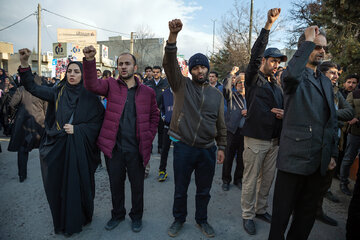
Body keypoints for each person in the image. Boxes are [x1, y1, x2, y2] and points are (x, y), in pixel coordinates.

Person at [17, 48, 104, 236]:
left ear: (83, 74)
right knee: (58, 186)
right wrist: (24, 64)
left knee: (79, 184)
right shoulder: (58, 92)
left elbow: (98, 123)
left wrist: (78, 130)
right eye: (69, 71)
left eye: (76, 71)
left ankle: (81, 216)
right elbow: (32, 88)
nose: (72, 75)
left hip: (80, 149)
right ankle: (62, 220)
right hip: (57, 147)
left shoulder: (90, 96)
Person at [268, 26, 338, 240]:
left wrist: (332, 154)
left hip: (318, 163)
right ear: (305, 47)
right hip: (293, 160)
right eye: (316, 46)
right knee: (281, 217)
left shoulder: (325, 82)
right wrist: (307, 41)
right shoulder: (292, 77)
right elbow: (291, 76)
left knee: (305, 217)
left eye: (323, 48)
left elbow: (331, 121)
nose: (321, 51)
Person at [82, 46, 159, 233]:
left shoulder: (147, 92)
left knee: (137, 187)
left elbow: (154, 116)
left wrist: (148, 136)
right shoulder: (110, 85)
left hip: (137, 149)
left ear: (135, 66)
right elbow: (92, 85)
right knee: (115, 185)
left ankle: (136, 217)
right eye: (120, 64)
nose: (123, 67)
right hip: (114, 148)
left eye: (127, 63)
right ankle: (117, 214)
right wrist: (90, 60)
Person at [163, 19, 226, 238]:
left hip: (207, 149)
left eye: (203, 66)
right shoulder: (181, 85)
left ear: (208, 69)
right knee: (180, 189)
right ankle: (178, 219)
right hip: (184, 147)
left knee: (204, 191)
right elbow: (169, 65)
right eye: (195, 67)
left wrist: (222, 147)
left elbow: (221, 123)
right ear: (190, 70)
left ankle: (202, 220)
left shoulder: (217, 95)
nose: (200, 70)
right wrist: (173, 37)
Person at [240, 8, 285, 236]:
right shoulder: (253, 78)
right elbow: (256, 53)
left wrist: (283, 114)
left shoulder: (277, 85)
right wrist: (268, 25)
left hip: (274, 142)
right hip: (255, 140)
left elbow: (281, 109)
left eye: (278, 62)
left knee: (266, 180)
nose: (276, 64)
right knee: (250, 180)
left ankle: (260, 209)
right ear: (264, 61)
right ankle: (247, 215)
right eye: (272, 60)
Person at [315, 61, 353, 226]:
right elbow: (316, 116)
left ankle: (318, 211)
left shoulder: (336, 93)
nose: (337, 76)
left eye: (338, 73)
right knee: (311, 183)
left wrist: (332, 115)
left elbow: (350, 112)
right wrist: (335, 118)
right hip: (318, 144)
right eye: (332, 73)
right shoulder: (315, 90)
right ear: (322, 73)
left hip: (334, 142)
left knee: (326, 181)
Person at [7, 74, 47, 182]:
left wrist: (17, 112)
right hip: (39, 122)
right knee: (44, 148)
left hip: (23, 122)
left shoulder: (21, 89)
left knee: (23, 149)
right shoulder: (42, 90)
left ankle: (22, 175)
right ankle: (48, 173)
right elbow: (47, 109)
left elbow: (12, 104)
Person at [221, 74, 246, 191]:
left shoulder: (251, 97)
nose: (242, 84)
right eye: (239, 83)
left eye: (244, 82)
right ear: (235, 85)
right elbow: (226, 88)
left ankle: (238, 179)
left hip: (246, 132)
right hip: (232, 131)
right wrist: (231, 74)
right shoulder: (232, 96)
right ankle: (226, 180)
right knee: (228, 157)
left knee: (242, 158)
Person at [339, 85, 360, 195]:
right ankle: (343, 182)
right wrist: (353, 119)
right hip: (355, 133)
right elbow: (347, 111)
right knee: (348, 158)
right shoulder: (355, 94)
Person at [158, 87, 174, 182]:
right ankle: (162, 171)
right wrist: (164, 116)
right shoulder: (165, 93)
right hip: (167, 127)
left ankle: (182, 172)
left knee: (181, 151)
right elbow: (162, 108)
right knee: (165, 150)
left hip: (181, 129)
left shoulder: (183, 91)